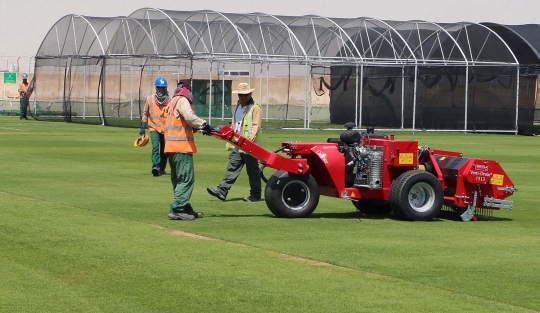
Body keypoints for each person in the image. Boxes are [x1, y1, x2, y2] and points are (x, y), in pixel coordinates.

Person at [165, 81, 213, 221]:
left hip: (171, 147)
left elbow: (180, 124)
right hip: (181, 147)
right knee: (186, 179)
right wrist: (204, 125)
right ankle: (177, 208)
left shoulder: (171, 102)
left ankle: (184, 206)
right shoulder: (182, 100)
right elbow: (190, 117)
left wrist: (197, 128)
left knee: (179, 180)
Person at [207, 82, 263, 202]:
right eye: (241, 95)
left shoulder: (255, 107)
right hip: (238, 142)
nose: (243, 97)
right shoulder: (238, 105)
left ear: (250, 94)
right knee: (232, 166)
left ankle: (256, 194)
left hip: (250, 145)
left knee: (252, 171)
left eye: (246, 95)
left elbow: (255, 126)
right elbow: (236, 124)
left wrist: (249, 142)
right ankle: (222, 190)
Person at [140, 77, 170, 176]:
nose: (161, 90)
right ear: (156, 88)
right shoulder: (150, 99)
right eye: (159, 88)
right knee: (155, 147)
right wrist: (143, 127)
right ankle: (156, 166)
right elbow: (145, 113)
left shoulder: (170, 100)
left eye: (163, 88)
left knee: (165, 150)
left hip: (166, 129)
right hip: (153, 127)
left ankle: (162, 167)